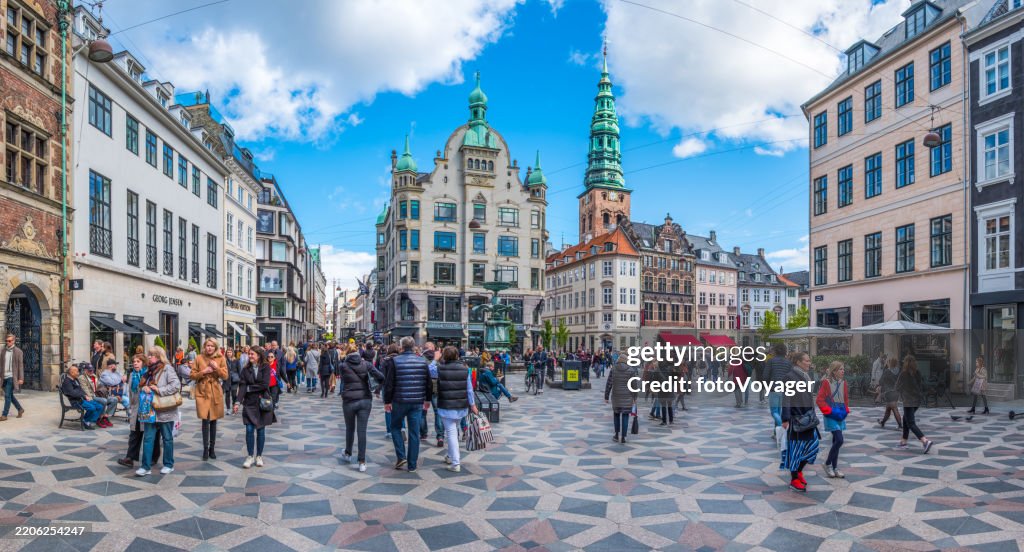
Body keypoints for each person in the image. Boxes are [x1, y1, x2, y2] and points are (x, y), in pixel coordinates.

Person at [382, 336, 432, 472]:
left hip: (399, 401)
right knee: (414, 432)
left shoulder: (395, 361)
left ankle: (401, 455)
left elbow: (389, 384)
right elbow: (428, 383)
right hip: (416, 402)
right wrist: (427, 400)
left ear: (401, 347)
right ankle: (412, 464)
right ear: (414, 346)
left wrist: (387, 401)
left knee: (395, 427)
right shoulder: (422, 362)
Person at [137, 346, 181, 476]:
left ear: (158, 356)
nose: (149, 357)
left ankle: (168, 464)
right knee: (148, 438)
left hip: (165, 410)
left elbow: (176, 385)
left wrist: (159, 390)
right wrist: (144, 388)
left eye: (151, 355)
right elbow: (142, 385)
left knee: (167, 438)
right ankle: (145, 466)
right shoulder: (148, 371)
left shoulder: (168, 369)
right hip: (150, 411)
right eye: (149, 355)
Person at [340, 344, 382, 472]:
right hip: (365, 400)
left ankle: (348, 453)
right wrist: (376, 388)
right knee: (362, 431)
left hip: (349, 400)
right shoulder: (367, 365)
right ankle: (362, 461)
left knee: (350, 428)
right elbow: (381, 377)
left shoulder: (343, 366)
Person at [781, 351, 819, 492]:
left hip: (808, 417)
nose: (809, 363)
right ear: (798, 362)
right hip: (796, 418)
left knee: (812, 447)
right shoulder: (790, 377)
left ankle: (799, 471)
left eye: (809, 360)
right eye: (807, 361)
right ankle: (794, 478)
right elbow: (787, 398)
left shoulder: (806, 376)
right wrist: (785, 418)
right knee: (796, 450)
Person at [436, 346, 478, 472]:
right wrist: (473, 404)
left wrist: (435, 359)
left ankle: (456, 463)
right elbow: (469, 389)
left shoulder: (440, 368)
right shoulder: (465, 369)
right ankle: (450, 456)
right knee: (454, 431)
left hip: (446, 406)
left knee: (451, 434)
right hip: (461, 405)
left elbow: (429, 369)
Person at [234, 346, 277, 468]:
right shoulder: (245, 369)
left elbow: (265, 384)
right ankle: (249, 456)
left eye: (252, 354)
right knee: (248, 430)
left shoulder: (265, 367)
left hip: (262, 403)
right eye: (249, 354)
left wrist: (249, 388)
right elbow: (242, 386)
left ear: (258, 355)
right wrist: (237, 402)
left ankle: (259, 456)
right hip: (249, 403)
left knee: (261, 430)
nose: (250, 356)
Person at [117, 354, 161, 468]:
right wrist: (132, 406)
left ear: (144, 363)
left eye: (138, 361)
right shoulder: (132, 375)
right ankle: (130, 458)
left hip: (148, 408)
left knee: (151, 434)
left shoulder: (149, 375)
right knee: (134, 433)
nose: (135, 363)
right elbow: (131, 393)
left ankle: (153, 457)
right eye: (134, 361)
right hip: (137, 407)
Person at [192, 338, 228, 461]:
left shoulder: (221, 358)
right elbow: (192, 375)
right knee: (205, 421)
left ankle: (212, 448)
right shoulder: (199, 358)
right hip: (203, 391)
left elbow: (225, 375)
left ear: (215, 347)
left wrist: (217, 368)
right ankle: (205, 449)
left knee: (213, 421)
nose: (209, 348)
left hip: (215, 391)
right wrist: (203, 371)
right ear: (204, 346)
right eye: (208, 345)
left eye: (212, 346)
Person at [816, 360, 850, 479]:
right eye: (840, 369)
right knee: (839, 440)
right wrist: (828, 411)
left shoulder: (843, 383)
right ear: (834, 371)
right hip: (831, 414)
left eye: (843, 369)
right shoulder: (826, 383)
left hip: (840, 414)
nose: (843, 371)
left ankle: (835, 468)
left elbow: (845, 399)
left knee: (836, 441)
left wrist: (845, 410)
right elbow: (819, 400)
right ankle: (827, 464)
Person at [896, 355, 934, 454]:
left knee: (911, 423)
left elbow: (897, 387)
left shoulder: (903, 374)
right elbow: (920, 386)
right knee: (905, 419)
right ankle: (903, 442)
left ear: (905, 363)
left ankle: (925, 441)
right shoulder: (917, 373)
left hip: (908, 401)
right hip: (917, 401)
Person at [605, 357, 638, 443]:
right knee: (625, 416)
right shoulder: (631, 370)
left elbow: (609, 383)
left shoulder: (614, 369)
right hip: (627, 397)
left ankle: (616, 435)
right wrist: (635, 397)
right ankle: (623, 437)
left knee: (616, 415)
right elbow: (634, 386)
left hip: (616, 396)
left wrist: (606, 396)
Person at [61, 364, 103, 429]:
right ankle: (86, 421)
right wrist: (83, 395)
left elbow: (80, 389)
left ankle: (87, 420)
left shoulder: (75, 379)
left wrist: (85, 395)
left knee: (100, 406)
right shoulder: (67, 381)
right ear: (72, 373)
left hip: (82, 399)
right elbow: (72, 393)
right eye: (77, 372)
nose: (78, 373)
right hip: (76, 401)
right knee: (92, 408)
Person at [79, 363, 118, 428]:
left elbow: (99, 386)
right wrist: (93, 397)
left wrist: (106, 387)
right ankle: (99, 418)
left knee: (114, 399)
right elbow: (85, 390)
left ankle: (105, 417)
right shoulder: (82, 377)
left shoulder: (94, 376)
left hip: (98, 395)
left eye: (92, 370)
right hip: (91, 396)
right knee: (103, 400)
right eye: (89, 370)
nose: (91, 372)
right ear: (85, 370)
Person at [766, 342, 792, 434]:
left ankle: (781, 426)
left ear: (775, 351)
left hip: (773, 389)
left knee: (774, 411)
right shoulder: (788, 362)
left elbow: (765, 376)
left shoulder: (771, 361)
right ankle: (776, 432)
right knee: (780, 411)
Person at [1, 333, 25, 421]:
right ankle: (20, 409)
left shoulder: (18, 351)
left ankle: (4, 415)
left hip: (12, 376)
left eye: (10, 341)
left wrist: (21, 378)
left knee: (7, 395)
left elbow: (21, 366)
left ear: (14, 341)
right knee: (10, 395)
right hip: (4, 377)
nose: (8, 342)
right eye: (7, 341)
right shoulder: (3, 351)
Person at [877, 357, 902, 429]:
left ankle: (900, 425)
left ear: (890, 363)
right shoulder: (899, 371)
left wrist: (879, 386)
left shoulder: (887, 371)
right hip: (896, 392)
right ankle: (882, 422)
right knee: (888, 408)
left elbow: (881, 381)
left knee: (894, 408)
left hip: (889, 392)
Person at [224, 348, 240, 413]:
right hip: (227, 380)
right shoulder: (224, 361)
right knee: (227, 395)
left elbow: (239, 370)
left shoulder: (236, 361)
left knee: (234, 395)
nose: (229, 353)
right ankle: (228, 409)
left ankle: (234, 407)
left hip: (234, 380)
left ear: (232, 353)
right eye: (228, 352)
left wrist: (239, 379)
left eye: (230, 352)